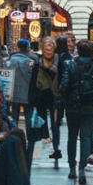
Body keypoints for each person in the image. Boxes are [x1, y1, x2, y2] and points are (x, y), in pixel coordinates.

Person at [59, 40, 93, 184]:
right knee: (85, 136)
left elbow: (63, 86)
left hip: (72, 105)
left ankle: (72, 168)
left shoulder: (70, 64)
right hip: (89, 105)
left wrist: (64, 96)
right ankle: (82, 168)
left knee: (72, 136)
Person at [25, 36, 60, 173]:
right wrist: (31, 100)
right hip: (41, 96)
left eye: (51, 45)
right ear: (42, 48)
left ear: (54, 47)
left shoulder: (59, 61)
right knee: (41, 121)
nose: (48, 48)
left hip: (55, 96)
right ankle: (40, 144)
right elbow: (33, 82)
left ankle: (56, 148)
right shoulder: (37, 62)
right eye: (46, 45)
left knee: (55, 124)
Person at [49, 35, 72, 160]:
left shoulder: (56, 58)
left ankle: (56, 148)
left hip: (56, 93)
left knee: (55, 124)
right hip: (68, 94)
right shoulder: (69, 57)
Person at [5, 39, 35, 127]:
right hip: (27, 94)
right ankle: (30, 139)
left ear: (18, 48)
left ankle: (16, 135)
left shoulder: (11, 61)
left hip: (14, 93)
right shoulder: (30, 61)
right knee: (28, 117)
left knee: (14, 117)